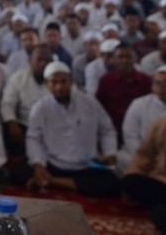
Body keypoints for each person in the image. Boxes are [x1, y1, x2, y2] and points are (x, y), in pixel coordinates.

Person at [26, 61, 120, 197]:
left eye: (63, 81)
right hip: (54, 164)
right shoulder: (40, 108)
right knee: (20, 172)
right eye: (54, 82)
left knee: (112, 183)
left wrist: (110, 152)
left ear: (71, 82)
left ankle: (53, 182)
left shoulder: (89, 103)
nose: (59, 87)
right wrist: (38, 164)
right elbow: (34, 138)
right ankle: (60, 181)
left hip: (85, 165)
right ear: (47, 85)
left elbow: (107, 130)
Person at [121, 76, 166, 211]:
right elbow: (143, 156)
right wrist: (133, 175)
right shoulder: (162, 124)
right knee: (131, 182)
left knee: (161, 213)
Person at [118, 66, 166, 171]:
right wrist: (147, 156)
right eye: (157, 83)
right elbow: (130, 136)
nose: (162, 88)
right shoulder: (139, 104)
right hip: (141, 154)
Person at [0, 44, 50, 156]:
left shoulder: (59, 80)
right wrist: (12, 123)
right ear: (30, 61)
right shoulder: (18, 78)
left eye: (46, 60)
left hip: (52, 126)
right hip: (25, 124)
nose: (43, 64)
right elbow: (7, 104)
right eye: (39, 60)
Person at [95, 43, 151, 132]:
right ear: (114, 59)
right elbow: (99, 106)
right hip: (112, 129)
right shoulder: (106, 80)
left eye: (128, 57)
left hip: (140, 129)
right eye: (120, 57)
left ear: (135, 58)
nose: (124, 60)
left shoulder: (146, 81)